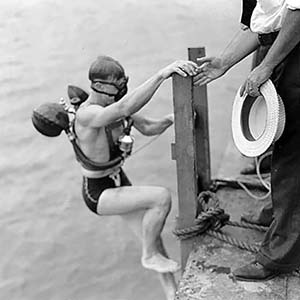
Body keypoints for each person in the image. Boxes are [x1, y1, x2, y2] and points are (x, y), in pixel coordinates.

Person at [74, 55, 198, 299]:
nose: (121, 88)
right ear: (98, 84)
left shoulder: (114, 109)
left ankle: (172, 293)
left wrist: (176, 119)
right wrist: (162, 74)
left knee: (151, 237)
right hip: (98, 192)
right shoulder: (87, 115)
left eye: (123, 82)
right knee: (160, 198)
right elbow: (123, 108)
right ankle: (149, 256)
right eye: (116, 84)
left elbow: (150, 126)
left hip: (117, 179)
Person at [194, 0, 300, 281]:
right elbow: (264, 21)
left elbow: (298, 14)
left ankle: (279, 257)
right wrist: (224, 62)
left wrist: (266, 66)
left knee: (293, 157)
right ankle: (277, 214)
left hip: (293, 51)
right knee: (282, 142)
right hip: (281, 48)